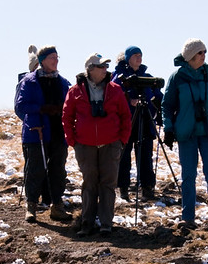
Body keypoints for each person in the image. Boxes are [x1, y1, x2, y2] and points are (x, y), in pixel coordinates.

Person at [162, 38, 208, 230]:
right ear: (190, 56)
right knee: (188, 176)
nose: (204, 55)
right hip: (187, 134)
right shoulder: (177, 77)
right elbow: (167, 105)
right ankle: (188, 217)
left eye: (205, 51)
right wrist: (168, 128)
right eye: (200, 52)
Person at [63, 53, 132, 237]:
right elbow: (67, 117)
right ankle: (87, 223)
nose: (105, 70)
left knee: (108, 184)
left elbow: (126, 116)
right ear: (90, 69)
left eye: (106, 66)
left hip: (111, 144)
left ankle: (106, 224)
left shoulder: (115, 89)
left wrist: (121, 140)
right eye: (101, 66)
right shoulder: (75, 91)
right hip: (85, 146)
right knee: (89, 183)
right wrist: (73, 141)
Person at [15, 46, 72, 223]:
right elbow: (20, 107)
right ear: (42, 60)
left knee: (58, 171)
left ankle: (57, 206)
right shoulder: (29, 82)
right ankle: (31, 206)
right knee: (35, 170)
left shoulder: (63, 83)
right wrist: (40, 109)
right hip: (36, 132)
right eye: (52, 58)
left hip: (58, 132)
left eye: (57, 57)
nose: (55, 61)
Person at [111, 46, 163, 201]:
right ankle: (123, 188)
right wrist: (129, 101)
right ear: (127, 58)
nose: (139, 58)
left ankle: (147, 187)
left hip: (145, 119)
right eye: (135, 55)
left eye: (140, 55)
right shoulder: (118, 77)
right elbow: (114, 95)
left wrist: (156, 107)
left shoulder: (147, 77)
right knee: (124, 155)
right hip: (126, 121)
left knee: (145, 155)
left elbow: (157, 96)